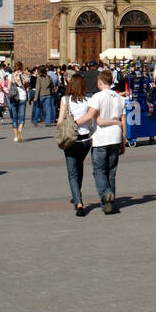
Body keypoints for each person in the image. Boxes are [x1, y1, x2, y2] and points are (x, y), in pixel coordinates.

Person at [74, 69, 126, 214]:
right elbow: (123, 121)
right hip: (116, 137)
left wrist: (73, 123)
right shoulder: (119, 98)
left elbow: (90, 116)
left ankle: (105, 194)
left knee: (99, 170)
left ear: (100, 82)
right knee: (111, 171)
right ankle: (109, 203)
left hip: (101, 138)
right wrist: (123, 140)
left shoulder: (97, 97)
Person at [57, 73, 94, 216]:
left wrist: (64, 125)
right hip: (85, 140)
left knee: (72, 173)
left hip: (71, 140)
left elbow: (60, 121)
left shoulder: (65, 100)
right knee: (79, 168)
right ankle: (76, 194)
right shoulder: (88, 101)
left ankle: (78, 202)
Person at [7, 69, 28, 142]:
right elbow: (26, 86)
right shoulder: (24, 76)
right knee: (22, 116)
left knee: (15, 117)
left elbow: (8, 87)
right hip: (22, 96)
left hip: (13, 96)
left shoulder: (10, 76)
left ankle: (16, 136)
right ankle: (20, 130)